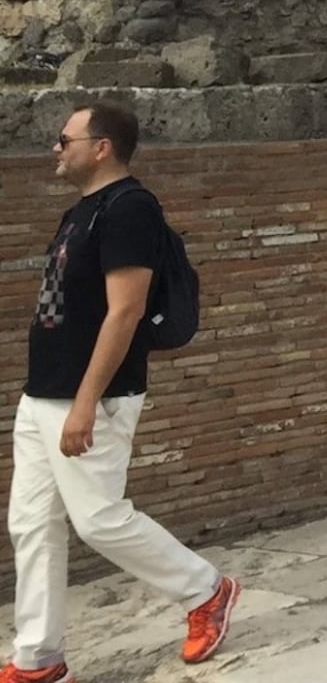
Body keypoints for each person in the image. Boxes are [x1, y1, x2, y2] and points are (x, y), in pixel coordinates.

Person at [9, 102, 239, 679]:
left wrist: (86, 402)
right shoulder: (80, 212)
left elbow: (126, 311)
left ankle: (206, 590)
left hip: (93, 395)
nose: (56, 149)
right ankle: (38, 658)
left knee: (99, 519)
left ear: (101, 147)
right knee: (32, 524)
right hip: (43, 393)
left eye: (65, 140)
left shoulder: (131, 208)